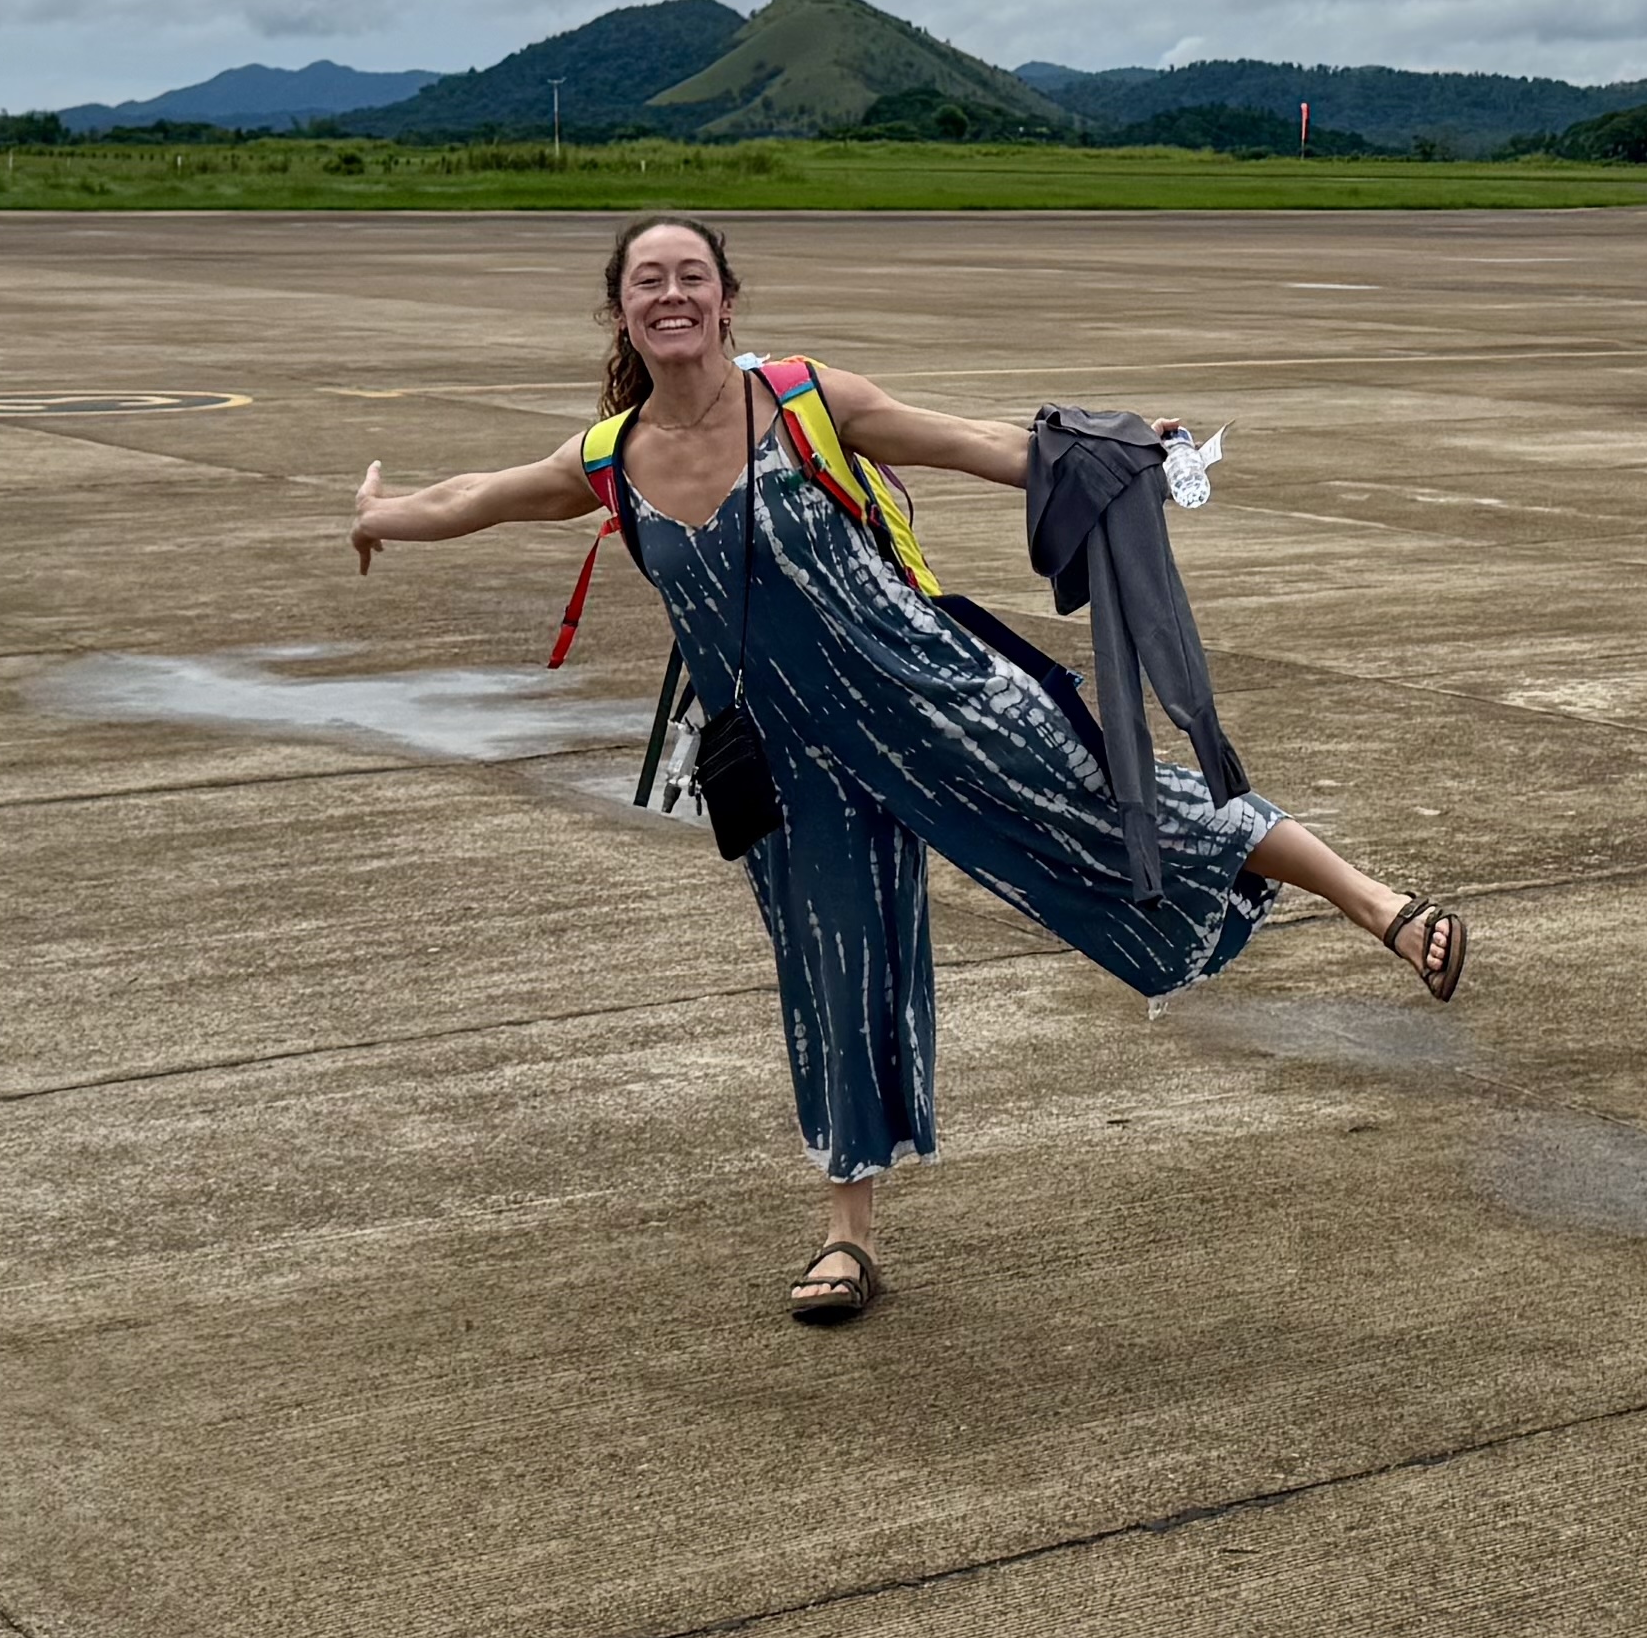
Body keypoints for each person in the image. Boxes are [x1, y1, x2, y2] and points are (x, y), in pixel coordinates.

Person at [347, 212, 1468, 1325]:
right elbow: (477, 496)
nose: (672, 294)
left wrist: (1119, 449)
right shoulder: (608, 461)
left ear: (727, 297)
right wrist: (384, 513)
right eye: (650, 280)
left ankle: (1383, 906)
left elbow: (975, 442)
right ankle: (847, 1241)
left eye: (693, 274)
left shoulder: (803, 400)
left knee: (1128, 806)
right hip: (787, 760)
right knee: (834, 966)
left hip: (932, 688)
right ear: (621, 310)